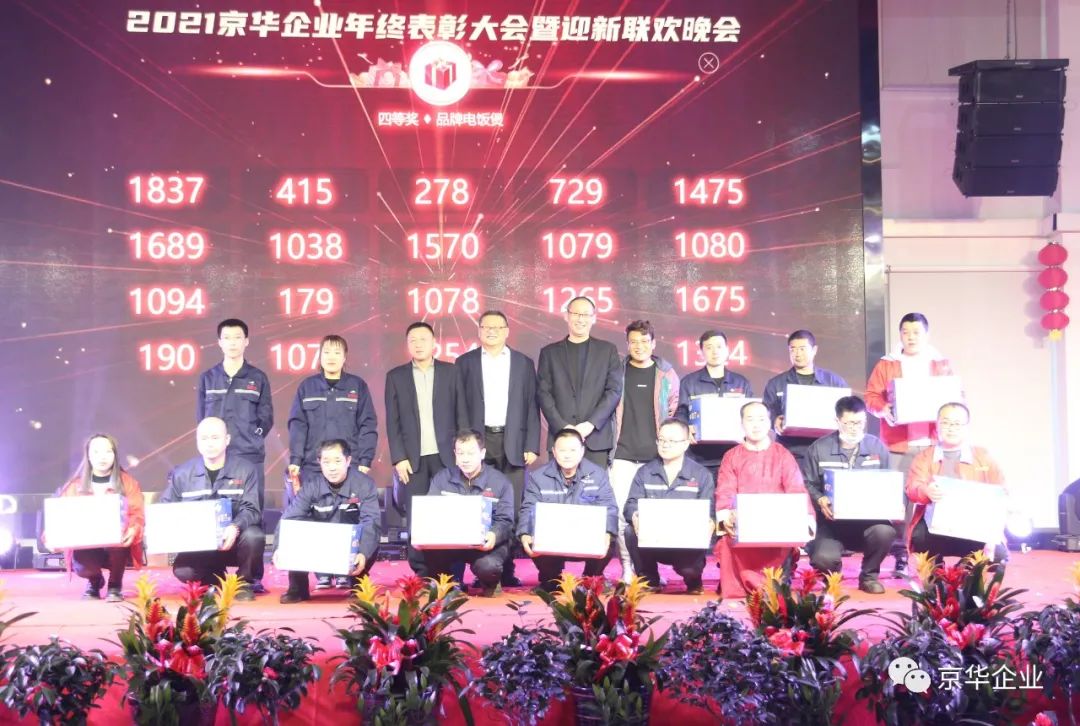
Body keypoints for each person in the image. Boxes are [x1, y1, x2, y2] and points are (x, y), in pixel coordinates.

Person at [865, 312, 957, 577]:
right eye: (906, 332)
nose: (911, 337)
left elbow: (956, 397)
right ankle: (900, 556)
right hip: (899, 444)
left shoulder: (940, 364)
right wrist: (884, 409)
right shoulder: (888, 364)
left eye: (916, 332)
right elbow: (871, 396)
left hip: (934, 443)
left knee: (937, 496)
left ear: (926, 334)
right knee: (900, 503)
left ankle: (936, 556)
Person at [456, 310, 541, 588]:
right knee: (478, 505)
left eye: (497, 327)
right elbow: (460, 406)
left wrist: (532, 444)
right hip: (479, 441)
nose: (491, 331)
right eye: (486, 327)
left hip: (513, 441)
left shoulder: (523, 363)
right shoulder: (465, 362)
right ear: (479, 330)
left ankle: (506, 570)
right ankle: (481, 568)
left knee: (511, 508)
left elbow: (531, 405)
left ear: (507, 330)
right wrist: (465, 443)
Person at [288, 334, 378, 589]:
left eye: (337, 352)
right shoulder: (307, 387)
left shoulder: (357, 386)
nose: (331, 357)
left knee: (347, 517)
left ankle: (346, 570)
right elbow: (297, 425)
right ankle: (322, 572)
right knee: (317, 518)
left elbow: (368, 424)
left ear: (345, 357)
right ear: (320, 355)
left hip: (348, 466)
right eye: (326, 352)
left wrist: (364, 459)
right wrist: (295, 459)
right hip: (314, 466)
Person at [385, 322, 469, 577]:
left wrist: (463, 452)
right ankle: (422, 571)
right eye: (413, 340)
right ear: (407, 345)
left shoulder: (451, 372)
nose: (418, 344)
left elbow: (462, 413)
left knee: (451, 513)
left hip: (448, 457)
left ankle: (453, 572)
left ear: (434, 343)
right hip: (413, 459)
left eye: (423, 339)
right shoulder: (396, 376)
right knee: (418, 514)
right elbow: (392, 421)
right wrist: (399, 457)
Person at [197, 318, 274, 593]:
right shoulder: (208, 378)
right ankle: (213, 573)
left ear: (246, 341)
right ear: (219, 342)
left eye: (237, 337)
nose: (232, 342)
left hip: (249, 456)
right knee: (213, 510)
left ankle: (251, 577)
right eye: (227, 338)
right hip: (215, 457)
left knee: (252, 514)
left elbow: (266, 416)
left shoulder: (257, 378)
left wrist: (252, 437)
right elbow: (201, 419)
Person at [714, 402, 813, 599]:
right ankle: (738, 586)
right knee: (727, 540)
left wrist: (802, 520)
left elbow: (796, 488)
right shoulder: (731, 456)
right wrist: (728, 517)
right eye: (750, 419)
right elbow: (725, 491)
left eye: (761, 419)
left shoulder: (783, 454)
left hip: (777, 527)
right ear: (741, 424)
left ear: (769, 423)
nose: (756, 425)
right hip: (742, 526)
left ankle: (774, 583)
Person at [159, 417, 264, 599]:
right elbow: (165, 510)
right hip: (200, 545)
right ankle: (213, 579)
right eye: (204, 438)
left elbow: (252, 509)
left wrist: (235, 527)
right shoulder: (182, 474)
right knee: (184, 571)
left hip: (234, 542)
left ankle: (243, 583)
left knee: (254, 536)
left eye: (215, 437)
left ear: (227, 440)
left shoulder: (246, 470)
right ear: (197, 441)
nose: (209, 443)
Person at [803, 396, 898, 594]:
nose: (855, 428)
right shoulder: (819, 449)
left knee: (885, 532)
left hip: (868, 521)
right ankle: (832, 577)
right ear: (837, 421)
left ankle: (869, 576)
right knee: (823, 558)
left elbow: (890, 482)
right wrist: (820, 499)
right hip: (831, 523)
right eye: (849, 423)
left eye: (860, 422)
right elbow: (807, 483)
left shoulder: (876, 447)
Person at [609, 320, 680, 582]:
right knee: (621, 515)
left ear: (654, 343)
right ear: (627, 344)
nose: (639, 346)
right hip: (622, 455)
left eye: (644, 341)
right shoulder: (617, 372)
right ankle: (628, 568)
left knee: (654, 517)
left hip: (656, 458)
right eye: (634, 342)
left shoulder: (666, 374)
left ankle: (650, 571)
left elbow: (673, 409)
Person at [275, 440, 380, 604]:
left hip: (351, 544)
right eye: (326, 462)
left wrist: (364, 553)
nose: (332, 468)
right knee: (295, 528)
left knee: (371, 535)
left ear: (348, 461)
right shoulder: (311, 486)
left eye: (337, 461)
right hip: (320, 543)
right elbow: (289, 517)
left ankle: (358, 583)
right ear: (319, 463)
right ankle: (297, 587)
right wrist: (278, 548)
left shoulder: (364, 484)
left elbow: (371, 521)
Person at [518, 428, 618, 592]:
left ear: (582, 451)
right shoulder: (538, 477)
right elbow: (528, 508)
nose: (567, 455)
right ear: (554, 452)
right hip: (552, 539)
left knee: (610, 536)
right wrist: (524, 533)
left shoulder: (598, 475)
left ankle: (591, 577)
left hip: (585, 538)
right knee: (529, 538)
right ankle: (551, 579)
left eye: (572, 450)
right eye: (562, 450)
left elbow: (610, 508)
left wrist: (608, 533)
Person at [623, 418, 715, 594]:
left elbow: (709, 511)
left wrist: (709, 522)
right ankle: (649, 580)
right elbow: (630, 505)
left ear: (686, 443)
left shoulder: (701, 475)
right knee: (629, 531)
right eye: (662, 440)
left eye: (672, 441)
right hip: (653, 540)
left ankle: (694, 579)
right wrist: (635, 515)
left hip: (686, 542)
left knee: (689, 569)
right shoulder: (645, 472)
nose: (665, 445)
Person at [906, 402, 1006, 560]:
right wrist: (926, 491)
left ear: (967, 427)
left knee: (998, 554)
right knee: (920, 538)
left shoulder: (983, 456)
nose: (951, 428)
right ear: (937, 425)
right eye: (945, 423)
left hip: (974, 524)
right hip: (935, 525)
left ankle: (965, 572)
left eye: (957, 423)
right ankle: (936, 573)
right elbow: (913, 487)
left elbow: (1001, 492)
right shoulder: (924, 457)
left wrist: (993, 533)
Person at [50, 434, 144, 601]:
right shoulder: (74, 486)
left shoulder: (128, 483)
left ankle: (115, 584)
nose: (102, 457)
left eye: (108, 451)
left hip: (118, 544)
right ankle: (94, 581)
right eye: (96, 452)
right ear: (88, 455)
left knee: (119, 539)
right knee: (82, 565)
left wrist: (133, 529)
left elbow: (137, 514)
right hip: (86, 544)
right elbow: (60, 519)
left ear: (115, 455)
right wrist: (51, 538)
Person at [422, 430, 515, 596]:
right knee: (424, 543)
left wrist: (494, 534)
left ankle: (490, 582)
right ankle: (448, 584)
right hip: (451, 542)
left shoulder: (500, 482)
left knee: (488, 567)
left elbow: (506, 520)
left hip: (486, 544)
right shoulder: (442, 479)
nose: (465, 459)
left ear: (482, 453)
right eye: (461, 453)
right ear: (455, 455)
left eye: (471, 453)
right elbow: (430, 513)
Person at [537, 296, 623, 468]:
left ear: (594, 318)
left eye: (585, 314)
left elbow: (614, 391)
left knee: (595, 485)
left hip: (595, 438)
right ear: (566, 315)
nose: (580, 319)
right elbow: (543, 393)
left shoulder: (607, 350)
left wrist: (591, 424)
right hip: (560, 439)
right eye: (576, 314)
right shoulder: (549, 353)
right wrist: (563, 426)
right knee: (557, 485)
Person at [761, 329, 848, 468]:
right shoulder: (776, 383)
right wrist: (774, 420)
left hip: (828, 451)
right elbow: (765, 413)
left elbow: (848, 412)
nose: (797, 354)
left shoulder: (834, 382)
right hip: (791, 452)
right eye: (793, 349)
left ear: (814, 350)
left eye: (802, 349)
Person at [675, 329, 754, 478]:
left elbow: (751, 415)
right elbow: (681, 413)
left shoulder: (741, 382)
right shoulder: (689, 382)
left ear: (727, 350)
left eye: (719, 346)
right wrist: (685, 427)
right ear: (701, 352)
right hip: (699, 458)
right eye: (709, 347)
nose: (715, 351)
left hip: (735, 457)